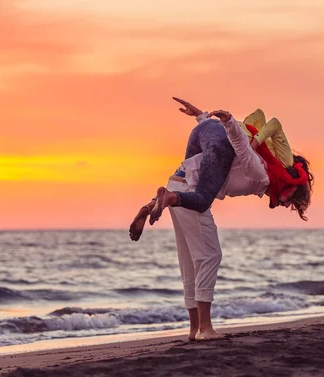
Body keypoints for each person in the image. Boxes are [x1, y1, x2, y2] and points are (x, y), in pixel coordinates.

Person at [129, 98, 313, 341]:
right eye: (291, 200)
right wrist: (229, 123)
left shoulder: (261, 177)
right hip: (188, 191)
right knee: (209, 256)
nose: (285, 204)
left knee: (189, 262)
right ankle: (205, 328)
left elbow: (219, 144)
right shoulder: (262, 176)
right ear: (288, 184)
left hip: (179, 181)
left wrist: (202, 118)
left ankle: (195, 329)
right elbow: (242, 149)